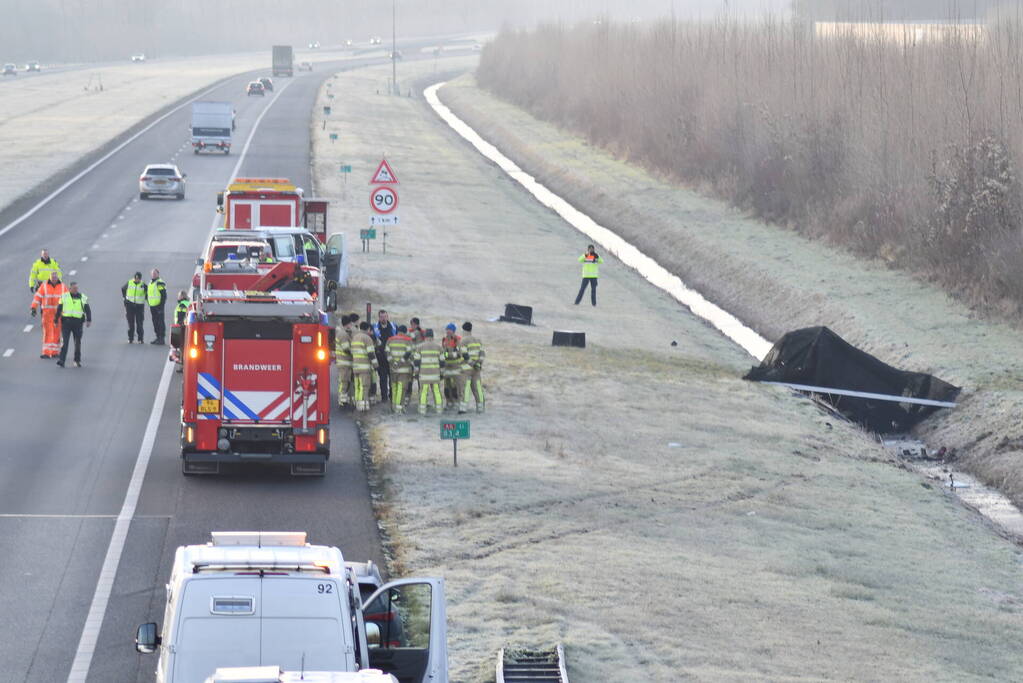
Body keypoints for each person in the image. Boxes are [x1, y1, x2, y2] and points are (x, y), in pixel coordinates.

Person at [29, 271, 67, 358]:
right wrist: (33, 307)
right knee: (47, 332)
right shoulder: (44, 286)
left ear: (57, 277)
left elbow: (68, 300)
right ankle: (46, 352)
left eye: (55, 276)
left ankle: (55, 352)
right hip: (47, 314)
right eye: (52, 276)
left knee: (57, 333)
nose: (54, 278)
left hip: (58, 314)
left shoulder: (63, 287)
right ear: (49, 277)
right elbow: (37, 297)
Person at [55, 281, 91, 367]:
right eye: (74, 288)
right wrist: (56, 320)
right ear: (69, 288)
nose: (76, 290)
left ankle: (77, 360)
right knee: (65, 343)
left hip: (78, 323)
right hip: (66, 323)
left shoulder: (82, 297)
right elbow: (59, 309)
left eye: (77, 288)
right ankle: (61, 360)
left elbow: (87, 309)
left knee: (77, 343)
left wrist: (89, 320)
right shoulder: (64, 297)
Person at [413, 328, 444, 416]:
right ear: (433, 337)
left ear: (425, 336)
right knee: (437, 391)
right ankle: (439, 410)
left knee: (423, 392)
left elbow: (416, 362)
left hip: (424, 375)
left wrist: (416, 374)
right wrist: (441, 374)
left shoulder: (419, 347)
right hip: (435, 375)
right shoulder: (439, 347)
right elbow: (442, 362)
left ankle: (422, 410)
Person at [385, 324, 414, 414]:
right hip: (404, 369)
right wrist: (400, 362)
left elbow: (386, 352)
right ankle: (399, 407)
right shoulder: (408, 340)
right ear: (405, 332)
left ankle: (393, 406)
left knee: (394, 387)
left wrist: (393, 363)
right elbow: (409, 353)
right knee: (401, 388)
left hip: (393, 369)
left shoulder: (390, 340)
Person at [459, 321, 486, 413]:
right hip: (476, 369)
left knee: (465, 389)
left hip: (466, 369)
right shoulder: (478, 340)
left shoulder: (463, 340)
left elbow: (464, 354)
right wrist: (478, 364)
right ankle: (480, 408)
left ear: (463, 330)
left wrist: (471, 363)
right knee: (478, 388)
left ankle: (463, 408)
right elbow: (482, 354)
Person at [350, 321, 378, 412]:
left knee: (357, 386)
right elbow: (371, 353)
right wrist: (375, 365)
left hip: (355, 367)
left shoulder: (355, 337)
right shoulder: (367, 338)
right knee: (364, 386)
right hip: (364, 367)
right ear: (368, 329)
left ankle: (358, 404)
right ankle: (363, 407)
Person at [373, 310, 397, 403]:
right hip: (381, 358)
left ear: (387, 317)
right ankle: (384, 398)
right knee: (383, 380)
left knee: (392, 379)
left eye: (385, 316)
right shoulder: (375, 327)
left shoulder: (394, 326)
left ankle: (392, 397)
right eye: (381, 317)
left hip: (392, 358)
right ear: (379, 317)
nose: (383, 318)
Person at [441, 323, 464, 412]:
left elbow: (459, 353)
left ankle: (457, 402)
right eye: (447, 329)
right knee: (447, 387)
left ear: (453, 330)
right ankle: (448, 402)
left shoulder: (457, 339)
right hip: (446, 366)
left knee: (456, 386)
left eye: (449, 329)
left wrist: (448, 354)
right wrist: (448, 355)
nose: (447, 331)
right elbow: (443, 352)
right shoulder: (444, 339)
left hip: (455, 367)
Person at [334, 315, 355, 409]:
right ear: (348, 324)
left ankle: (344, 399)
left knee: (346, 381)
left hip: (344, 362)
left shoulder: (343, 333)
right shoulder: (343, 334)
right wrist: (356, 353)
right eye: (351, 324)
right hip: (344, 362)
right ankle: (342, 401)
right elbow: (346, 349)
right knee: (344, 382)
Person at [122, 271, 147, 343]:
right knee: (130, 323)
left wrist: (146, 299)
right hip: (130, 306)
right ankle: (130, 338)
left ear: (140, 279)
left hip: (139, 306)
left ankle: (140, 339)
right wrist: (125, 299)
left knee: (139, 323)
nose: (136, 280)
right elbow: (123, 289)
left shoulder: (143, 285)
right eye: (135, 278)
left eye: (138, 278)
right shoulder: (129, 282)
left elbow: (148, 293)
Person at [147, 268, 168, 345]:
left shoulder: (159, 283)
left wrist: (161, 306)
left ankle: (161, 338)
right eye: (152, 274)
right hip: (152, 306)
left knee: (160, 322)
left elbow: (163, 295)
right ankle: (158, 337)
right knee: (155, 322)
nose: (153, 275)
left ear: (158, 274)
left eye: (155, 274)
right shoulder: (151, 283)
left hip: (159, 306)